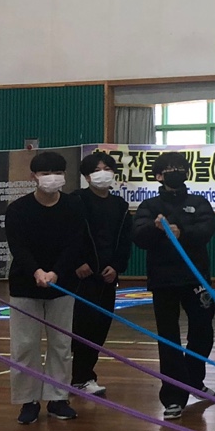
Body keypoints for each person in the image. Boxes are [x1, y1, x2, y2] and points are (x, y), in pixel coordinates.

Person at [132, 152, 215, 420]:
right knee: (168, 338)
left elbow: (207, 230)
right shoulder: (149, 205)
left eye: (180, 168)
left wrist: (182, 231)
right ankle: (173, 396)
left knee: (203, 332)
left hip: (196, 279)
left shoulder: (198, 202)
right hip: (163, 281)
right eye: (169, 169)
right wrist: (156, 229)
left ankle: (194, 379)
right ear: (158, 176)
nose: (175, 172)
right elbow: (138, 235)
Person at [4, 151, 87, 424]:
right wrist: (37, 271)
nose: (52, 178)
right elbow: (18, 246)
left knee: (61, 344)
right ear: (33, 177)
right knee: (25, 345)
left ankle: (57, 398)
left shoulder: (74, 207)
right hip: (24, 285)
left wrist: (56, 272)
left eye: (58, 173)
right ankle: (28, 401)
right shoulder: (17, 209)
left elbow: (75, 244)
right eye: (44, 173)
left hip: (62, 285)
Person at [70, 151, 133, 397]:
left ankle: (83, 376)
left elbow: (125, 241)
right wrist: (77, 262)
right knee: (80, 327)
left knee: (99, 328)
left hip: (108, 277)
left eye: (107, 168)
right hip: (81, 277)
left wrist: (117, 267)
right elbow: (69, 236)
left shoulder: (120, 205)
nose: (103, 173)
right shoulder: (75, 201)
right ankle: (77, 376)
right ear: (86, 175)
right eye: (97, 169)